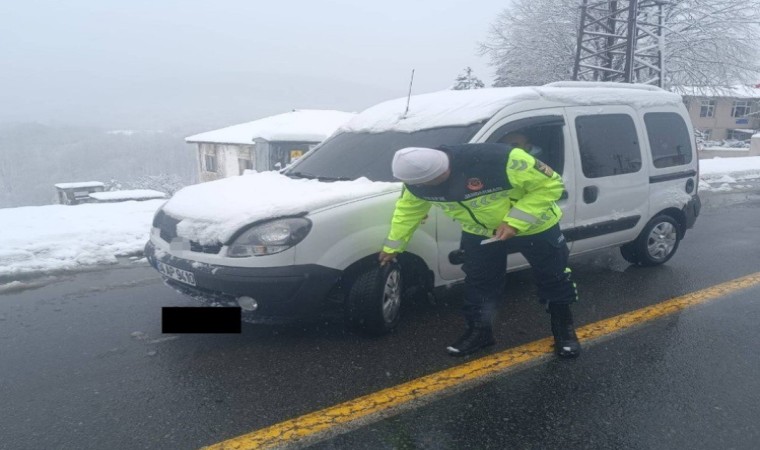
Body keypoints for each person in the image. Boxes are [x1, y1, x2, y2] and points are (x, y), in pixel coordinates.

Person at [378, 143, 581, 358]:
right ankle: (480, 331)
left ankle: (563, 329)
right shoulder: (416, 184)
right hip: (480, 232)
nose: (436, 184)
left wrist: (514, 222)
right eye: (428, 183)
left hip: (536, 225)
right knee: (479, 283)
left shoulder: (502, 160)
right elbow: (408, 211)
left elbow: (551, 185)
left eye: (441, 176)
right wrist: (393, 246)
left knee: (554, 276)